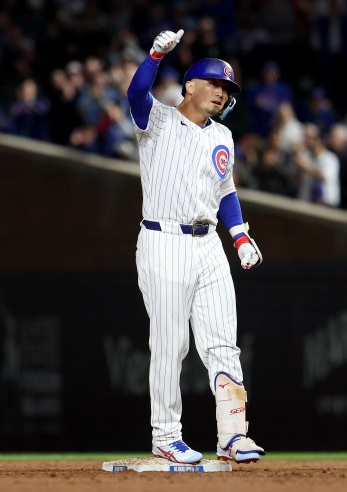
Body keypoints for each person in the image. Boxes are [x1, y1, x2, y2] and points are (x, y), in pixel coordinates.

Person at [127, 30, 266, 465]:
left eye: (227, 89)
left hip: (209, 246)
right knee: (171, 344)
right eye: (215, 83)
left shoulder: (222, 136)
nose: (222, 92)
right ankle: (166, 436)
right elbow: (135, 93)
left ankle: (233, 435)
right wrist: (153, 57)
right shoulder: (159, 120)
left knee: (223, 342)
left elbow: (225, 191)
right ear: (190, 85)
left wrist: (240, 235)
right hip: (163, 239)